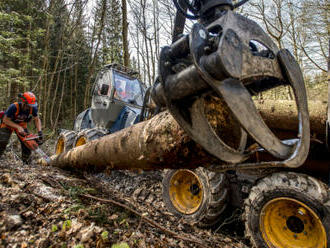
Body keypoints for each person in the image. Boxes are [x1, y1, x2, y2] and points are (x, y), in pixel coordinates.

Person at [0, 92, 43, 163]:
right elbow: (5, 120)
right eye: (29, 105)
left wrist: (40, 132)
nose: (30, 107)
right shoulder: (14, 107)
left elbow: (37, 119)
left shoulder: (33, 108)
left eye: (32, 105)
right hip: (8, 123)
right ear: (24, 103)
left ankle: (26, 161)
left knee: (27, 142)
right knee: (2, 140)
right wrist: (17, 127)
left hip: (22, 124)